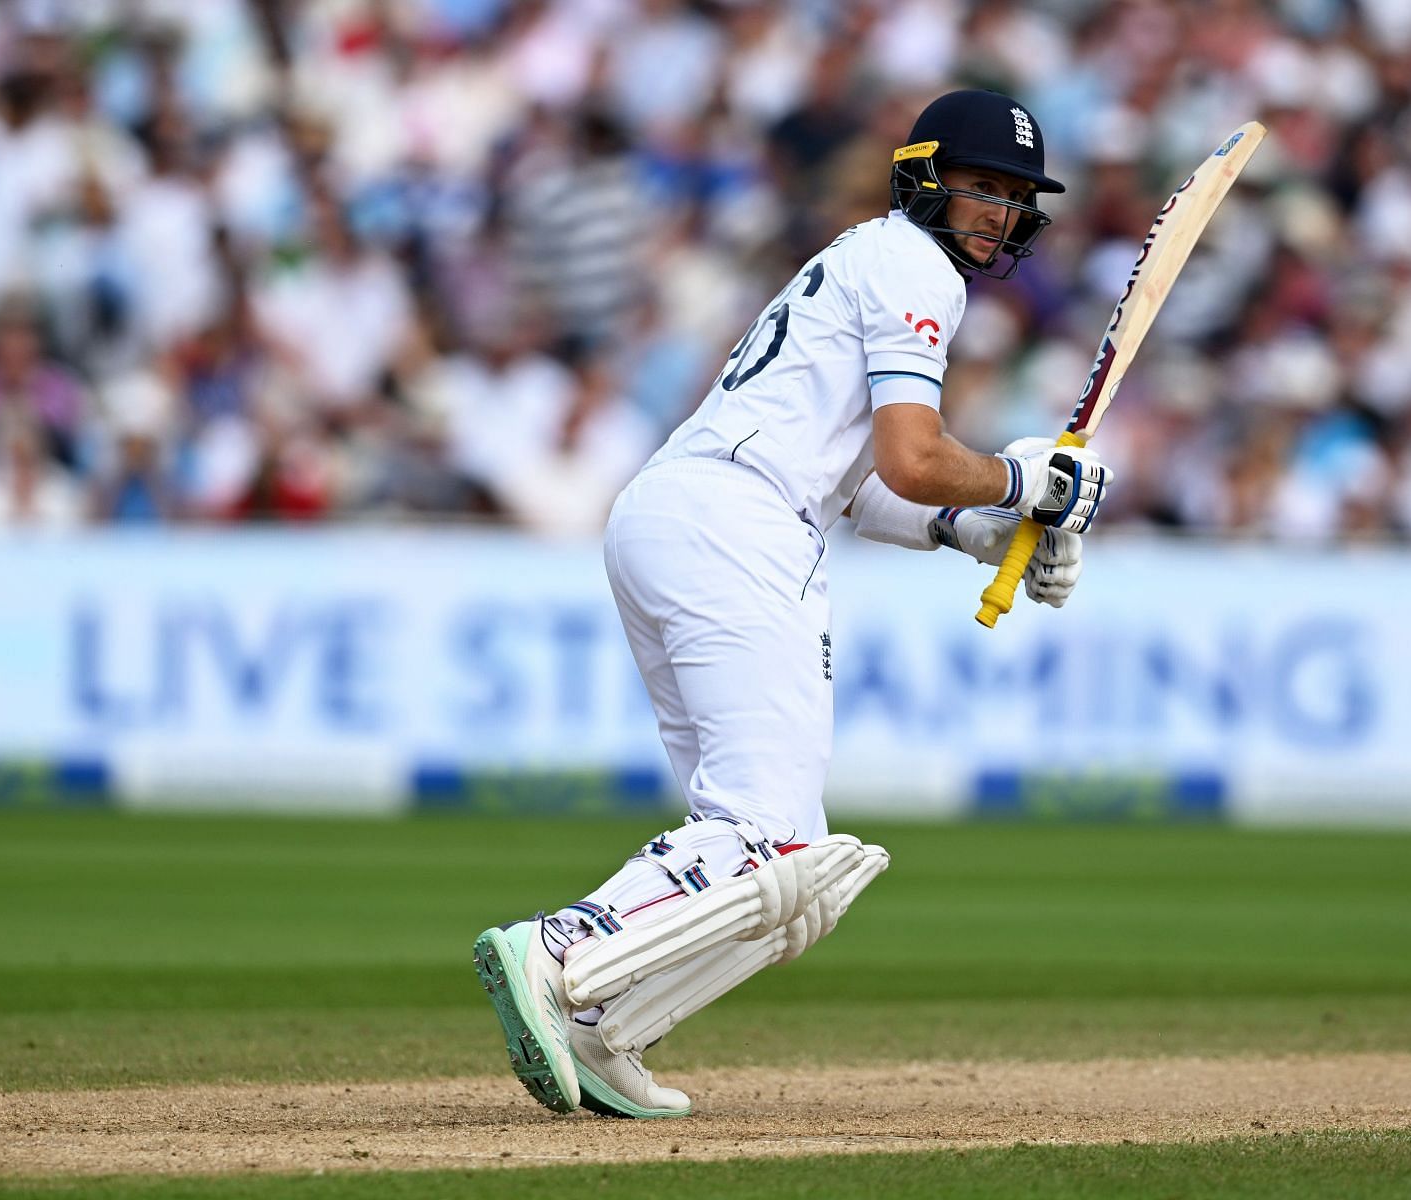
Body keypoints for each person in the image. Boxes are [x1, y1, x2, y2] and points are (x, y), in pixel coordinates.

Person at [470, 90, 1115, 1119]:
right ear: (925, 175)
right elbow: (914, 459)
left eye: (1014, 197)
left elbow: (861, 485)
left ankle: (606, 1026)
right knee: (768, 839)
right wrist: (1021, 484)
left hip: (676, 514)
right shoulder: (914, 265)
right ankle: (561, 946)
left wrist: (979, 529)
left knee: (786, 879)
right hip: (738, 529)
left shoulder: (863, 259)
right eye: (981, 186)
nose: (996, 212)